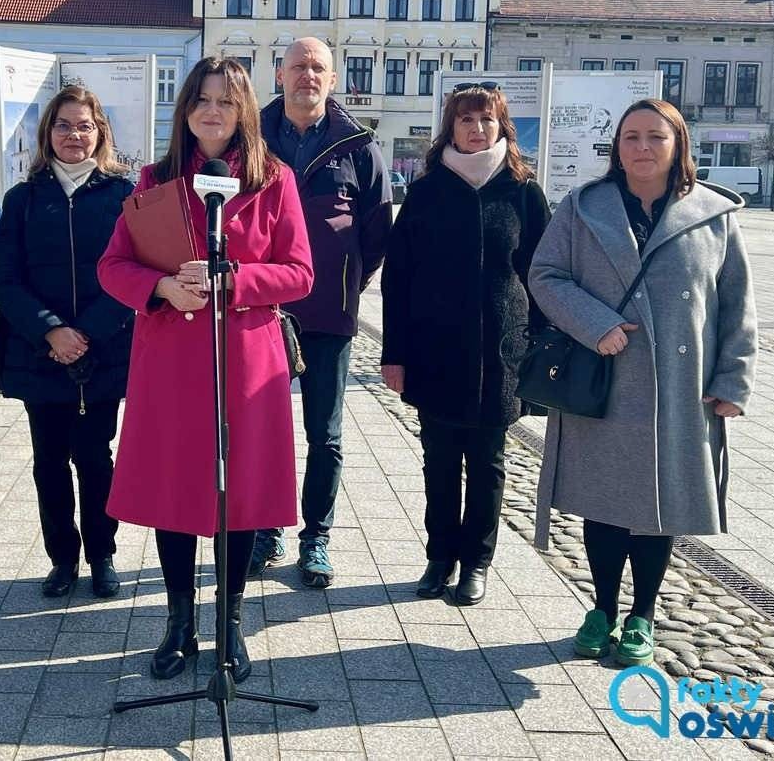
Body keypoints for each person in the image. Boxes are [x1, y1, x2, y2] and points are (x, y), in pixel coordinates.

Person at [98, 56, 313, 681]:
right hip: (171, 359)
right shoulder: (154, 180)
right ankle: (178, 623)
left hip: (246, 359)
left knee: (238, 495)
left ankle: (231, 625)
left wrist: (236, 277)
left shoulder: (273, 179)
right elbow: (114, 266)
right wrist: (163, 286)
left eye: (225, 100)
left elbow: (300, 273)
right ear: (185, 110)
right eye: (201, 100)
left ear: (244, 109)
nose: (213, 111)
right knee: (176, 491)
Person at [529, 98, 757, 666]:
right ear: (617, 147)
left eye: (656, 137)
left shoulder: (713, 214)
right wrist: (596, 324)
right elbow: (545, 274)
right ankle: (602, 607)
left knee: (659, 508)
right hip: (605, 379)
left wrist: (734, 380)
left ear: (678, 143)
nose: (642, 148)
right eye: (631, 137)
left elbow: (737, 305)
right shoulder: (584, 208)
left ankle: (643, 616)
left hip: (681, 388)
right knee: (603, 504)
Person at [380, 82, 549, 606]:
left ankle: (476, 561)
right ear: (450, 128)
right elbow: (398, 276)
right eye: (466, 121)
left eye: (487, 121)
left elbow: (542, 273)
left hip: (503, 350)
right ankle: (439, 556)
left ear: (502, 128)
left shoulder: (523, 190)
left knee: (488, 460)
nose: (477, 129)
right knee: (438, 458)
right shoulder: (429, 190)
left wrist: (541, 349)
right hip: (435, 348)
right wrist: (394, 352)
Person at [251, 37, 393, 588]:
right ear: (279, 75)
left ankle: (316, 536)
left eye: (318, 68)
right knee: (262, 430)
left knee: (324, 435)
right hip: (259, 310)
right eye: (298, 67)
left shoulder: (358, 146)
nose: (308, 76)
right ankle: (267, 528)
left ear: (333, 80)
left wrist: (349, 280)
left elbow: (377, 232)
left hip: (328, 313)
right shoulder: (252, 138)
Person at [0, 86, 134, 599]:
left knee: (97, 459)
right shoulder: (24, 198)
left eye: (83, 126)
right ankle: (62, 559)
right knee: (48, 461)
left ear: (100, 133)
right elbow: (6, 278)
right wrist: (51, 329)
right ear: (46, 133)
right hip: (41, 352)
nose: (73, 135)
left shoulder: (124, 195)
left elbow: (136, 274)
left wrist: (89, 333)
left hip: (104, 349)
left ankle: (103, 554)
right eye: (63, 126)